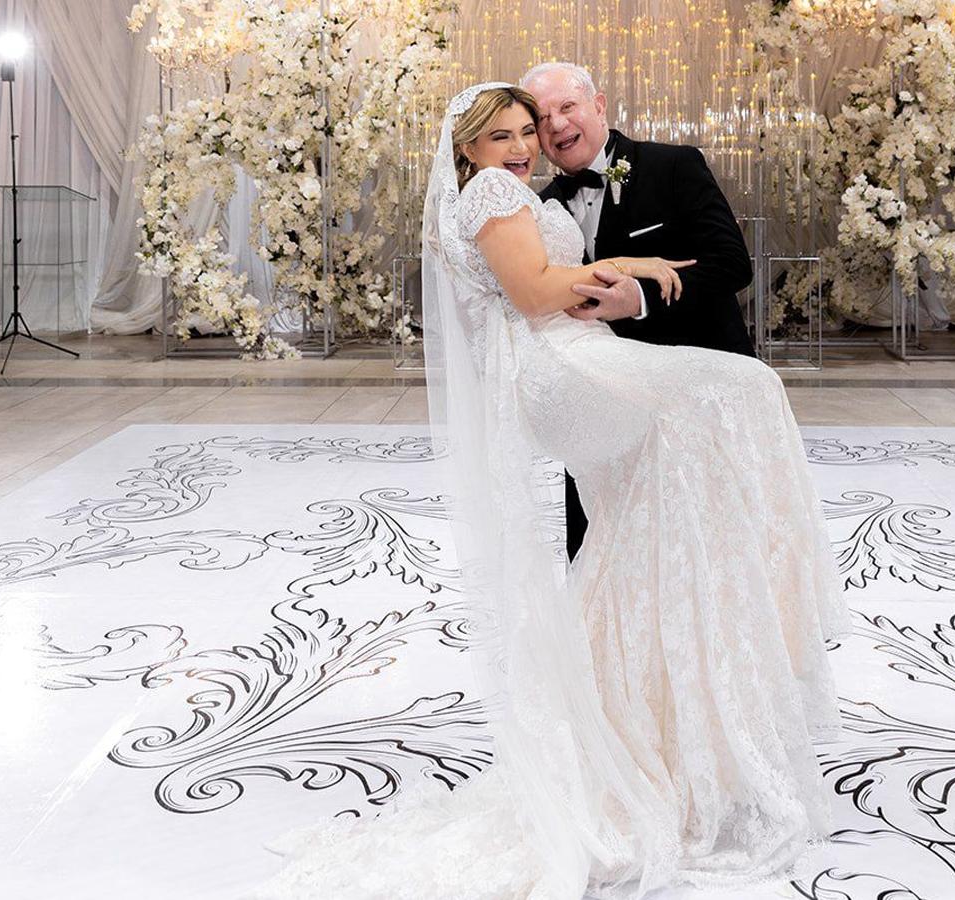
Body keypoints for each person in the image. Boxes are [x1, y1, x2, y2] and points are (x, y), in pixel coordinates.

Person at [254, 82, 848, 900]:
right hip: (562, 363)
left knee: (648, 503)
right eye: (500, 134)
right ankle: (737, 626)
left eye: (526, 130)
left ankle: (644, 704)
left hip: (566, 359)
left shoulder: (517, 189)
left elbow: (558, 274)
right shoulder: (494, 192)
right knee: (740, 391)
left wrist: (620, 264)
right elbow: (535, 295)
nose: (522, 145)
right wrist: (627, 264)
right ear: (467, 148)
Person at [521, 62, 757, 560]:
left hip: (691, 392)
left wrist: (642, 298)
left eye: (568, 107)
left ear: (599, 105)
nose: (558, 125)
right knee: (599, 553)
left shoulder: (673, 166)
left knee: (701, 547)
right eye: (542, 118)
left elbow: (733, 265)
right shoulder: (541, 208)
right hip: (600, 401)